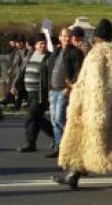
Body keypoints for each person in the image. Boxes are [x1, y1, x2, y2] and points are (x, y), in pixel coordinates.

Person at [54, 19, 112, 191]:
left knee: (86, 140)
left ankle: (74, 175)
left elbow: (96, 86)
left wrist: (95, 111)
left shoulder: (97, 55)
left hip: (97, 108)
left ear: (97, 38)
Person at [48, 27, 86, 157]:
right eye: (64, 36)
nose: (66, 39)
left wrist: (70, 87)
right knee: (53, 120)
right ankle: (59, 147)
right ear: (59, 37)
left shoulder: (76, 52)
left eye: (69, 36)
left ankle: (74, 142)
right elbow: (50, 69)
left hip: (65, 90)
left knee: (60, 118)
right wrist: (49, 87)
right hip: (53, 90)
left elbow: (78, 72)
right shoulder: (57, 52)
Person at [14, 33, 55, 153]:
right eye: (41, 43)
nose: (43, 45)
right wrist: (17, 86)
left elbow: (50, 76)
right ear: (36, 45)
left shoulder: (49, 58)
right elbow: (22, 72)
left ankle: (30, 142)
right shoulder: (31, 56)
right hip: (30, 93)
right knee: (38, 118)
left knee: (31, 116)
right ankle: (55, 135)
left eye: (45, 43)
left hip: (40, 93)